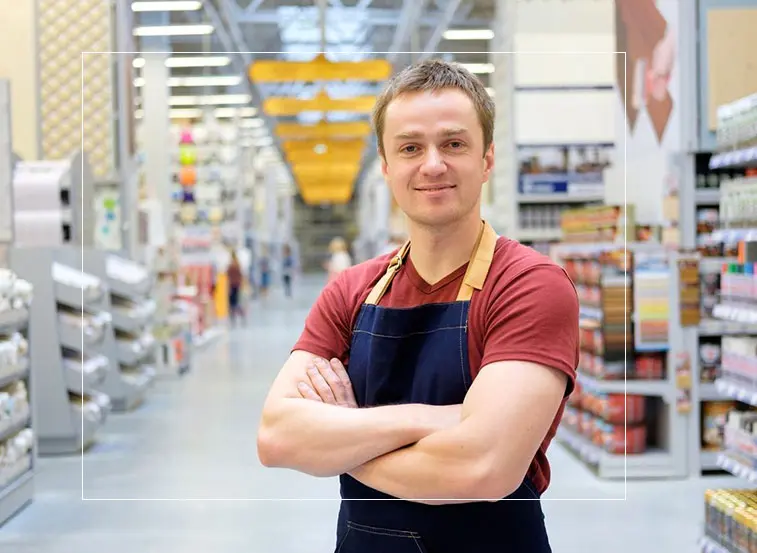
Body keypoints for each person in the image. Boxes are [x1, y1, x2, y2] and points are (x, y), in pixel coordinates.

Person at [257, 59, 579, 552]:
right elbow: (278, 437)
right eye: (410, 148)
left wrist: (342, 444)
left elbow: (482, 467)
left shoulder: (529, 285)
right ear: (386, 166)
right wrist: (438, 419)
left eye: (453, 144)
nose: (432, 165)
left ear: (487, 159)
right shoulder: (351, 291)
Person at [226, 250, 245, 326]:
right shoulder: (238, 264)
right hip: (237, 285)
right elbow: (241, 275)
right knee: (236, 302)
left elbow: (227, 274)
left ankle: (234, 317)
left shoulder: (231, 265)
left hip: (232, 285)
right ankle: (240, 314)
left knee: (232, 302)